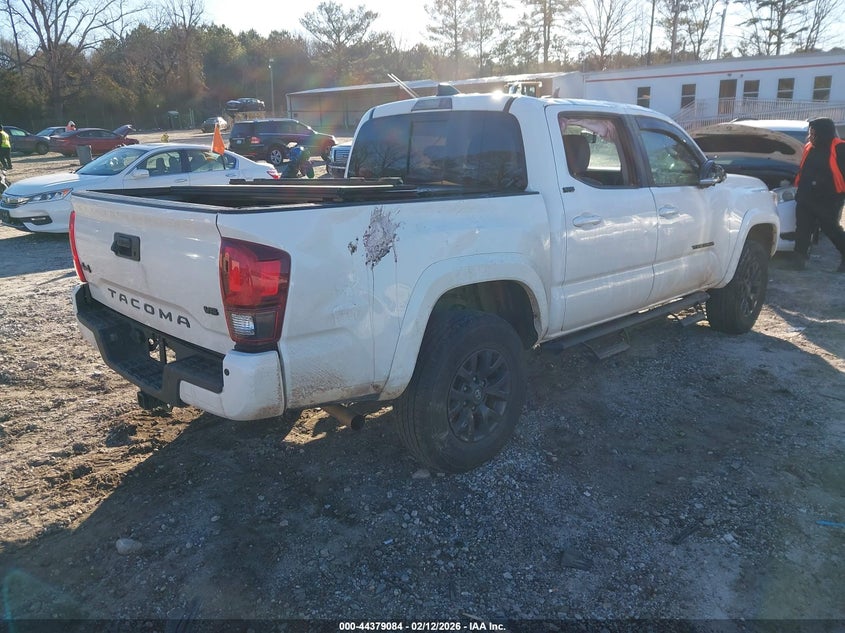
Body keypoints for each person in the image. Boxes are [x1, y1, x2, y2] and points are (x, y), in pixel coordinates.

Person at [792, 117, 845, 272]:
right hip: (806, 196)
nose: (811, 136)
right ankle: (798, 261)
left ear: (824, 132)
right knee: (802, 228)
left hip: (830, 198)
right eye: (810, 132)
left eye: (814, 133)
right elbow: (804, 170)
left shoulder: (840, 148)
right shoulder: (809, 147)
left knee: (831, 229)